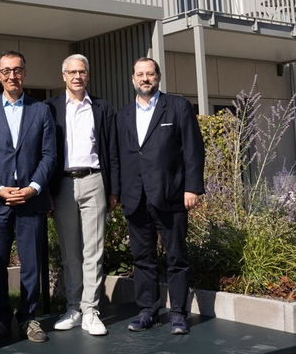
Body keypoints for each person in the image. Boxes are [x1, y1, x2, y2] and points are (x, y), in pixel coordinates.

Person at [115, 57, 204, 335]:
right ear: (133, 78)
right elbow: (118, 157)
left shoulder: (178, 107)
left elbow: (193, 149)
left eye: (150, 74)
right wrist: (117, 193)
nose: (145, 79)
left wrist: (192, 187)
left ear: (159, 76)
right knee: (143, 259)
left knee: (177, 258)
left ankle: (177, 314)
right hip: (135, 198)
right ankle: (147, 311)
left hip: (171, 195)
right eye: (140, 74)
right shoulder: (123, 114)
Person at [0, 50, 57, 344]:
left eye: (17, 70)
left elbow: (49, 155)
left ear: (25, 73)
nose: (12, 76)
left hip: (31, 200)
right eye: (6, 71)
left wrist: (33, 187)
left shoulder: (41, 110)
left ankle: (28, 317)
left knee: (31, 262)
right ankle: (0, 318)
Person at [46, 54, 119, 337]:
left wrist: (113, 190)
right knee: (70, 253)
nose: (77, 77)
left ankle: (91, 311)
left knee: (93, 250)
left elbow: (111, 150)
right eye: (72, 72)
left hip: (94, 181)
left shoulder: (101, 107)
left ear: (87, 75)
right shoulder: (50, 108)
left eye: (82, 72)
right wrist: (46, 190)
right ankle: (74, 309)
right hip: (63, 185)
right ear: (63, 76)